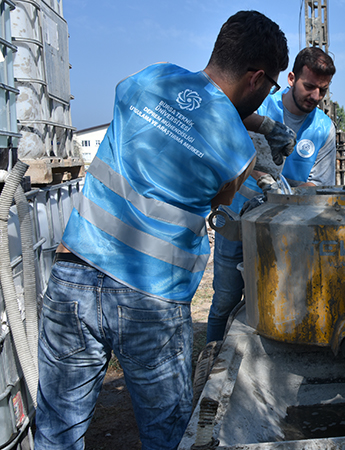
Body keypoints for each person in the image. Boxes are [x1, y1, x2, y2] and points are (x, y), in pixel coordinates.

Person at [35, 11, 288, 450]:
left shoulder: (151, 78)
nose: (269, 95)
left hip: (73, 273)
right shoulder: (238, 151)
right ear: (258, 78)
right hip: (151, 300)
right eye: (271, 87)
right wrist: (264, 133)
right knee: (166, 436)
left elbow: (185, 103)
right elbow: (220, 201)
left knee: (57, 431)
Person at [205, 46, 337, 344]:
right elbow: (228, 154)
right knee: (225, 298)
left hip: (286, 231)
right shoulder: (261, 105)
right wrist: (260, 175)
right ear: (291, 78)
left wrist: (283, 188)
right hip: (237, 217)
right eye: (309, 86)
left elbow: (317, 187)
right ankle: (211, 357)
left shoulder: (324, 130)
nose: (315, 96)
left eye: (323, 90)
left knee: (279, 297)